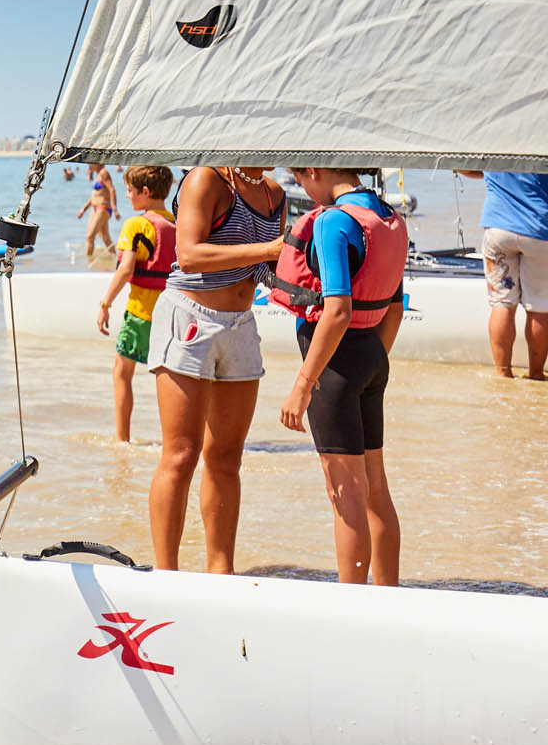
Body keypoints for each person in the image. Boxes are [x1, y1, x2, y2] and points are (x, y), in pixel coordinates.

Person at [270, 167, 407, 585]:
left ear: (315, 171)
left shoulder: (333, 221)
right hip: (371, 357)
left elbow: (338, 310)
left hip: (335, 368)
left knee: (345, 497)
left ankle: (351, 607)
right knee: (376, 491)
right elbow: (396, 307)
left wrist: (303, 384)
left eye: (300, 177)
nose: (303, 187)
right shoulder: (390, 218)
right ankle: (388, 597)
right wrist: (368, 363)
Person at [146, 166, 285, 573]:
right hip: (190, 317)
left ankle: (221, 572)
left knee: (226, 457)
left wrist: (303, 288)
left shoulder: (273, 192)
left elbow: (263, 268)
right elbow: (188, 255)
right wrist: (268, 251)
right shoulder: (206, 179)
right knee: (181, 455)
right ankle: (165, 574)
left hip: (241, 324)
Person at [96, 166, 175, 443]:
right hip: (173, 317)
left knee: (121, 372)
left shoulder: (136, 225)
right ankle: (175, 439)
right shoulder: (178, 225)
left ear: (145, 192)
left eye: (130, 191)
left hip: (141, 313)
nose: (127, 196)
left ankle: (122, 439)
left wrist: (106, 303)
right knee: (170, 379)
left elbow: (126, 268)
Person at [456, 171, 548, 378]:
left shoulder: (498, 141)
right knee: (539, 309)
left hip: (498, 228)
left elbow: (473, 168)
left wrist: (458, 167)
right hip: (540, 229)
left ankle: (503, 373)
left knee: (502, 304)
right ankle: (535, 374)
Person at [77, 166, 116, 260]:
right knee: (105, 238)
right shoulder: (98, 174)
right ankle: (116, 260)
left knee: (90, 237)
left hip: (103, 208)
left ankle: (88, 262)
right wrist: (83, 209)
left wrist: (115, 208)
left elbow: (112, 189)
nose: (88, 165)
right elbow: (94, 196)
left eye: (90, 163)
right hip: (95, 209)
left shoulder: (104, 172)